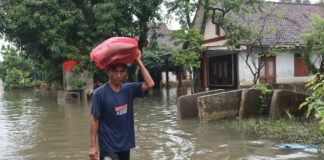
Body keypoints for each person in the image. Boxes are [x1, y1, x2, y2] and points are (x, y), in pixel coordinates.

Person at [89, 52, 154, 160]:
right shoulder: (99, 94)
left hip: (125, 145)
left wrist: (138, 60)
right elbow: (95, 119)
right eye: (115, 71)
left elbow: (150, 83)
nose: (119, 75)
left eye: (122, 71)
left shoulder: (129, 89)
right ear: (108, 72)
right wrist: (93, 145)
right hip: (107, 146)